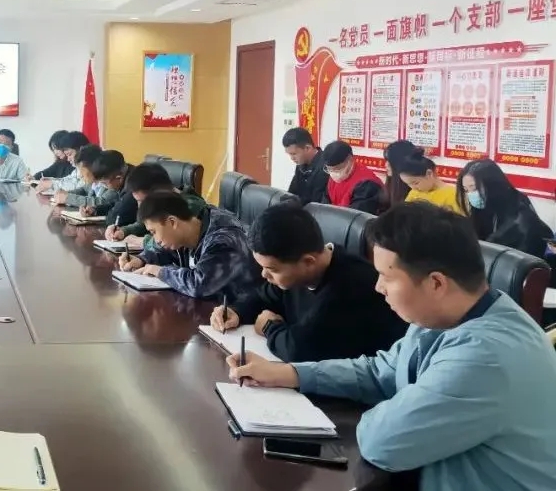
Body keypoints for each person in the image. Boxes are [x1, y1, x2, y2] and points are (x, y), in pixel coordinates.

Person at [227, 202, 556, 491]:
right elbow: (380, 370)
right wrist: (289, 373)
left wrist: (402, 406)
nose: (378, 287)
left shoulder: (487, 358)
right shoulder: (447, 315)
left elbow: (382, 442)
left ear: (436, 283)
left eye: (387, 276)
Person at [210, 203, 406, 362]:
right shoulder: (297, 272)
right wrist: (236, 311)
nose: (264, 274)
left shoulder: (350, 287)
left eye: (272, 269)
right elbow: (264, 296)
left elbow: (299, 350)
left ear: (308, 262)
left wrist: (269, 327)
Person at [119, 191, 261, 300]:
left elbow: (199, 284)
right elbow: (165, 251)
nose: (155, 240)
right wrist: (142, 259)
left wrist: (160, 272)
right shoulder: (189, 228)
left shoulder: (223, 239)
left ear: (172, 222)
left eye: (153, 232)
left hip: (240, 318)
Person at [456, 158, 551, 260]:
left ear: (492, 185)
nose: (470, 195)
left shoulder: (520, 218)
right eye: (466, 190)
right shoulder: (483, 209)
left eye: (474, 188)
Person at [104, 163, 203, 247]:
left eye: (143, 201)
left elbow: (174, 240)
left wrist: (142, 241)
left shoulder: (190, 206)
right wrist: (123, 231)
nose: (140, 207)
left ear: (160, 192)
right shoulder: (165, 204)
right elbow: (143, 225)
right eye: (137, 201)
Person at [323, 140, 385, 214]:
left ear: (349, 159)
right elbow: (324, 206)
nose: (334, 173)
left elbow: (356, 215)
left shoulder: (366, 183)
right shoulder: (333, 178)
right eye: (330, 169)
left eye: (338, 169)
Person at [396, 148, 463, 214]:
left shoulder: (453, 195)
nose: (413, 187)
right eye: (408, 184)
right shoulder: (414, 193)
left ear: (429, 174)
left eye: (415, 183)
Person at [54, 144, 112, 210]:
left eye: (82, 171)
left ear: (94, 167)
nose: (80, 175)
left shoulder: (110, 182)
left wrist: (68, 198)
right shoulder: (93, 183)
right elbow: (83, 190)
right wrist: (65, 194)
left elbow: (101, 202)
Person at [89, 150, 138, 223]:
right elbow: (117, 204)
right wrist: (95, 210)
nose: (105, 187)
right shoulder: (126, 171)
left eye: (104, 183)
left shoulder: (134, 185)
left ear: (119, 178)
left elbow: (115, 218)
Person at [282, 128, 329, 205]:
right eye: (289, 154)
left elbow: (316, 202)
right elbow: (292, 192)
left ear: (307, 148)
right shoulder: (300, 165)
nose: (292, 158)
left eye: (294, 154)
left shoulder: (324, 167)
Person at [384, 139, 418, 206]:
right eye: (386, 160)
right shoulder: (390, 186)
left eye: (390, 161)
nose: (386, 165)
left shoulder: (415, 194)